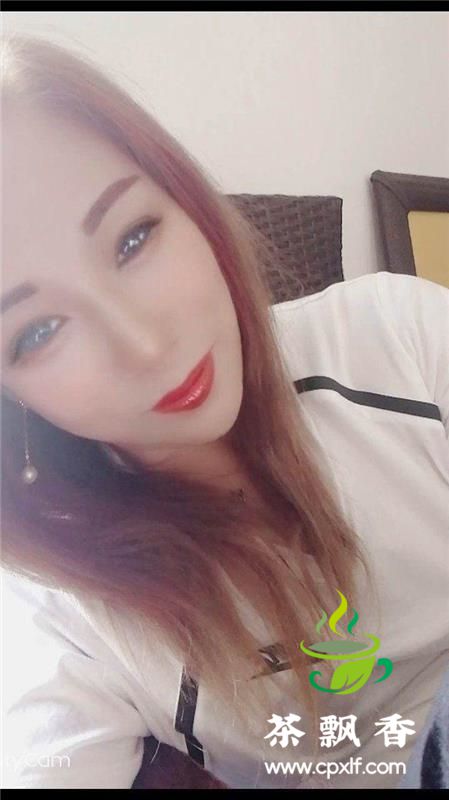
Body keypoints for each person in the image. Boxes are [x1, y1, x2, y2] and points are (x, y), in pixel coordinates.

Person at [1, 34, 448, 791]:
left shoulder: (399, 339)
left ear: (188, 200)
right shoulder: (57, 609)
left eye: (133, 238)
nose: (145, 346)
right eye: (37, 332)